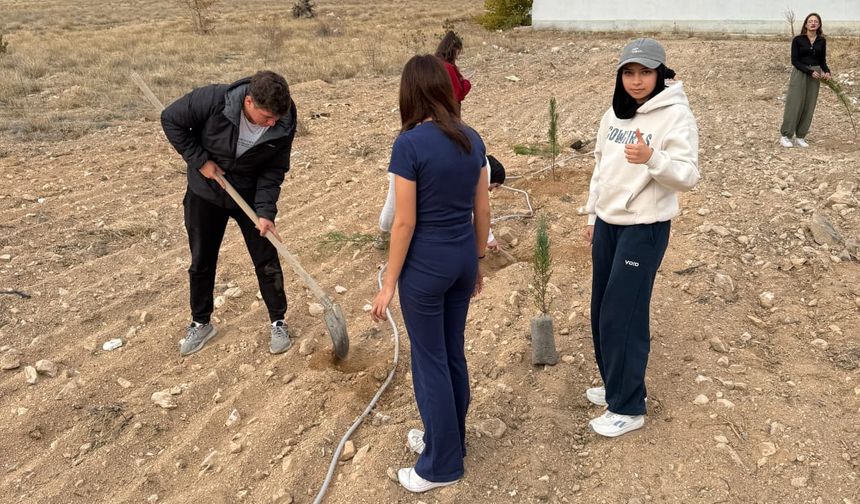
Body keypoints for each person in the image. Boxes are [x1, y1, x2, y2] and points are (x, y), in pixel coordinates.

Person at [370, 55, 490, 492]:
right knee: (452, 353)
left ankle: (440, 465)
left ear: (409, 93)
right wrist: (476, 261)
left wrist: (387, 284)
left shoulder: (409, 145)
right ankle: (450, 440)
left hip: (426, 267)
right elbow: (483, 208)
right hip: (461, 259)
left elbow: (403, 222)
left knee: (430, 361)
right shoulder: (471, 139)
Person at [583, 38, 700, 437]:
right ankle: (615, 385)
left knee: (623, 314)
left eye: (645, 73)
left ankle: (629, 407)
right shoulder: (613, 116)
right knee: (601, 310)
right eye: (629, 73)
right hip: (607, 223)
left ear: (660, 74)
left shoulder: (674, 116)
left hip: (645, 227)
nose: (636, 81)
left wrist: (653, 160)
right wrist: (591, 212)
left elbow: (688, 175)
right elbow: (601, 167)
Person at [161, 70, 297, 357]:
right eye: (266, 118)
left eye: (277, 118)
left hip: (248, 193)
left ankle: (278, 321)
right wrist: (200, 162)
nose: (272, 123)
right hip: (206, 191)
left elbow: (274, 169)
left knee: (266, 256)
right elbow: (170, 119)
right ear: (248, 102)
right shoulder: (212, 100)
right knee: (202, 260)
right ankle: (201, 322)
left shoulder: (284, 120)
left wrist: (265, 212)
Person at [377, 154, 505, 250]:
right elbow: (475, 210)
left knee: (393, 201)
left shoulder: (474, 155)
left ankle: (382, 236)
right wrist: (489, 238)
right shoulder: (483, 169)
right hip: (423, 167)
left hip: (408, 159)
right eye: (495, 186)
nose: (492, 190)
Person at [780, 12, 831, 148]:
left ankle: (801, 136)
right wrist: (809, 71)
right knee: (794, 103)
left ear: (819, 24)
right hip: (800, 73)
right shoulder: (798, 40)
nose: (813, 23)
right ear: (806, 24)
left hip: (816, 75)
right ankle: (786, 135)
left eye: (816, 21)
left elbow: (822, 60)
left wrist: (827, 71)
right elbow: (794, 61)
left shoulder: (822, 41)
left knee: (809, 105)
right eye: (810, 21)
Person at [435, 31, 472, 114]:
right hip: (448, 112)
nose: (457, 56)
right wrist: (466, 82)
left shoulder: (434, 63)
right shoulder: (447, 67)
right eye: (458, 52)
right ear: (454, 50)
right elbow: (458, 94)